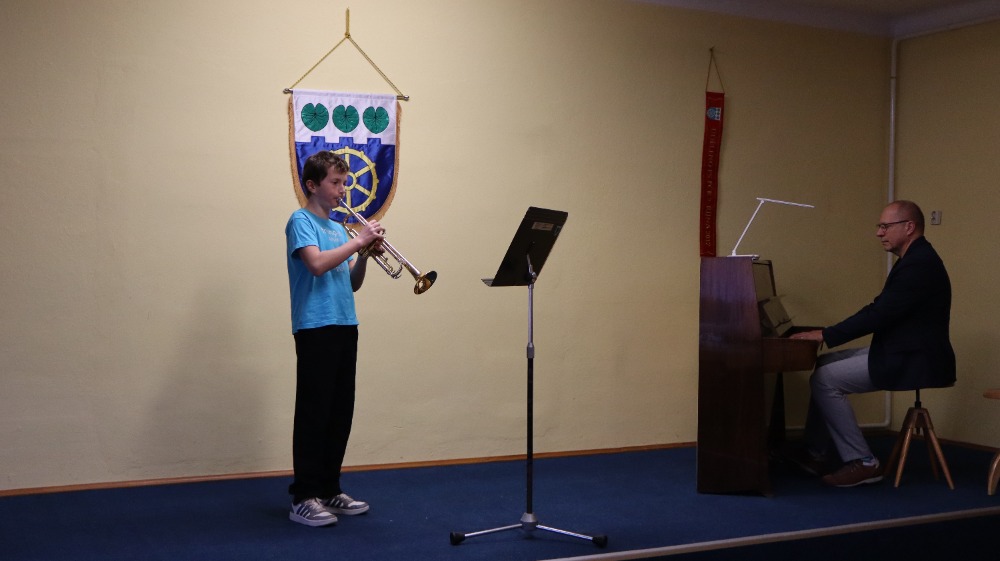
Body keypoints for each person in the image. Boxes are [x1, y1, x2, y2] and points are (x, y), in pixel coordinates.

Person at [788, 200, 955, 488]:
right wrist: (828, 333)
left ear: (909, 227)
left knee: (825, 379)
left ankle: (864, 462)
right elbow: (880, 308)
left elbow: (879, 315)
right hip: (903, 350)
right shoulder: (914, 259)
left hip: (916, 358)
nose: (879, 232)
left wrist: (826, 335)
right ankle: (815, 453)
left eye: (885, 226)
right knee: (825, 362)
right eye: (880, 226)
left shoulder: (920, 265)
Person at [284, 150, 384, 526]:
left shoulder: (340, 229)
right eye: (335, 182)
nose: (343, 190)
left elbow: (351, 283)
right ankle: (303, 497)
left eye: (344, 182)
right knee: (314, 411)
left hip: (345, 323)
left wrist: (366, 255)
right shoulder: (301, 220)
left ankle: (329, 488)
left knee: (340, 411)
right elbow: (316, 264)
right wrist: (359, 243)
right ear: (312, 185)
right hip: (315, 325)